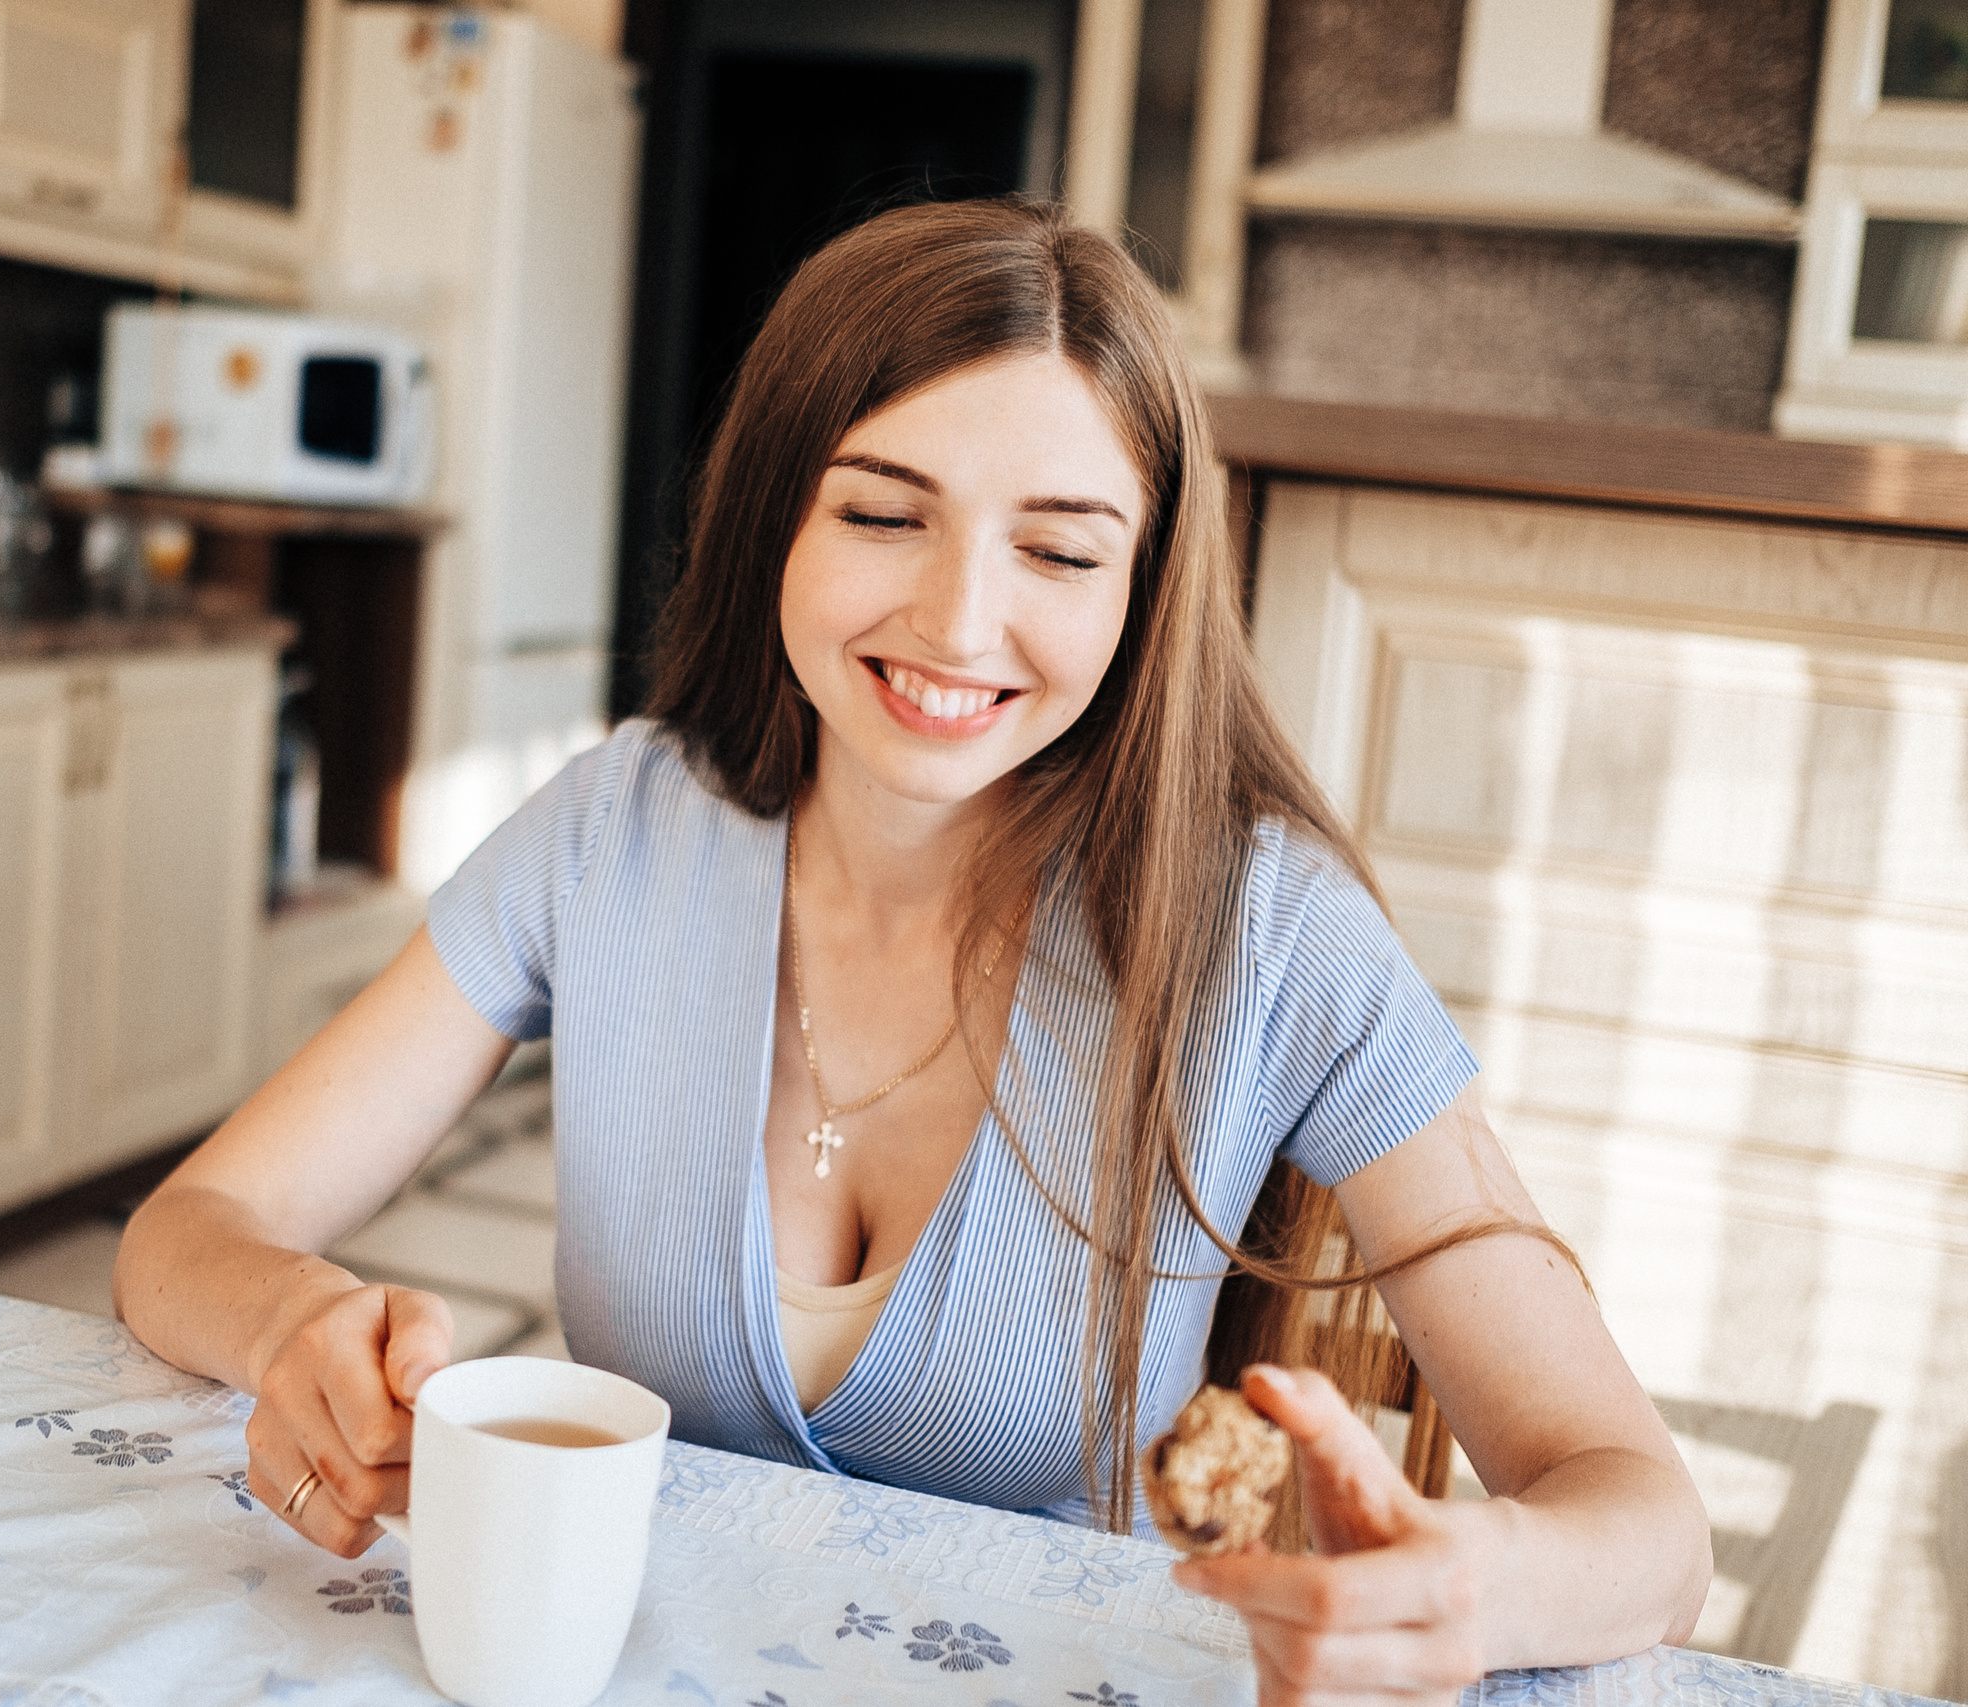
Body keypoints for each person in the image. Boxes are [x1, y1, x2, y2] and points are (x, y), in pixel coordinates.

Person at [114, 196, 1711, 1701]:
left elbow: (1647, 1523)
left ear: (1145, 596)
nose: (958, 622)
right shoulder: (613, 833)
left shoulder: (1275, 935)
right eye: (885, 513)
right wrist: (291, 1327)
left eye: (1063, 552)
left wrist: (1473, 1586)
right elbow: (194, 1226)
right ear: (775, 523)